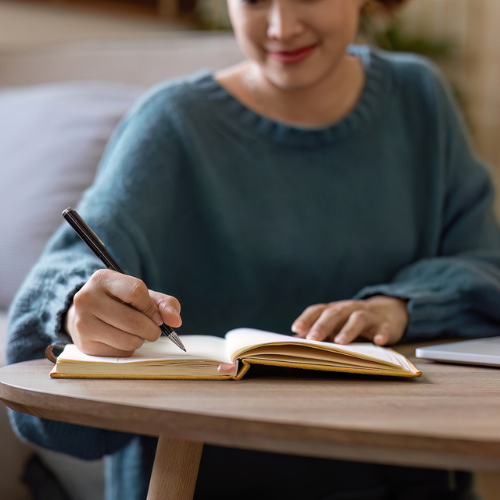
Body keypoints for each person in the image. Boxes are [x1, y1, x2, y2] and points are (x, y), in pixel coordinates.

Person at [7, 0, 500, 498]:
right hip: (200, 477)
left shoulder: (420, 98)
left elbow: (486, 266)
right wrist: (77, 312)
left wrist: (402, 306)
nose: (282, 27)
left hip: (401, 477)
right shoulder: (171, 123)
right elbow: (56, 294)